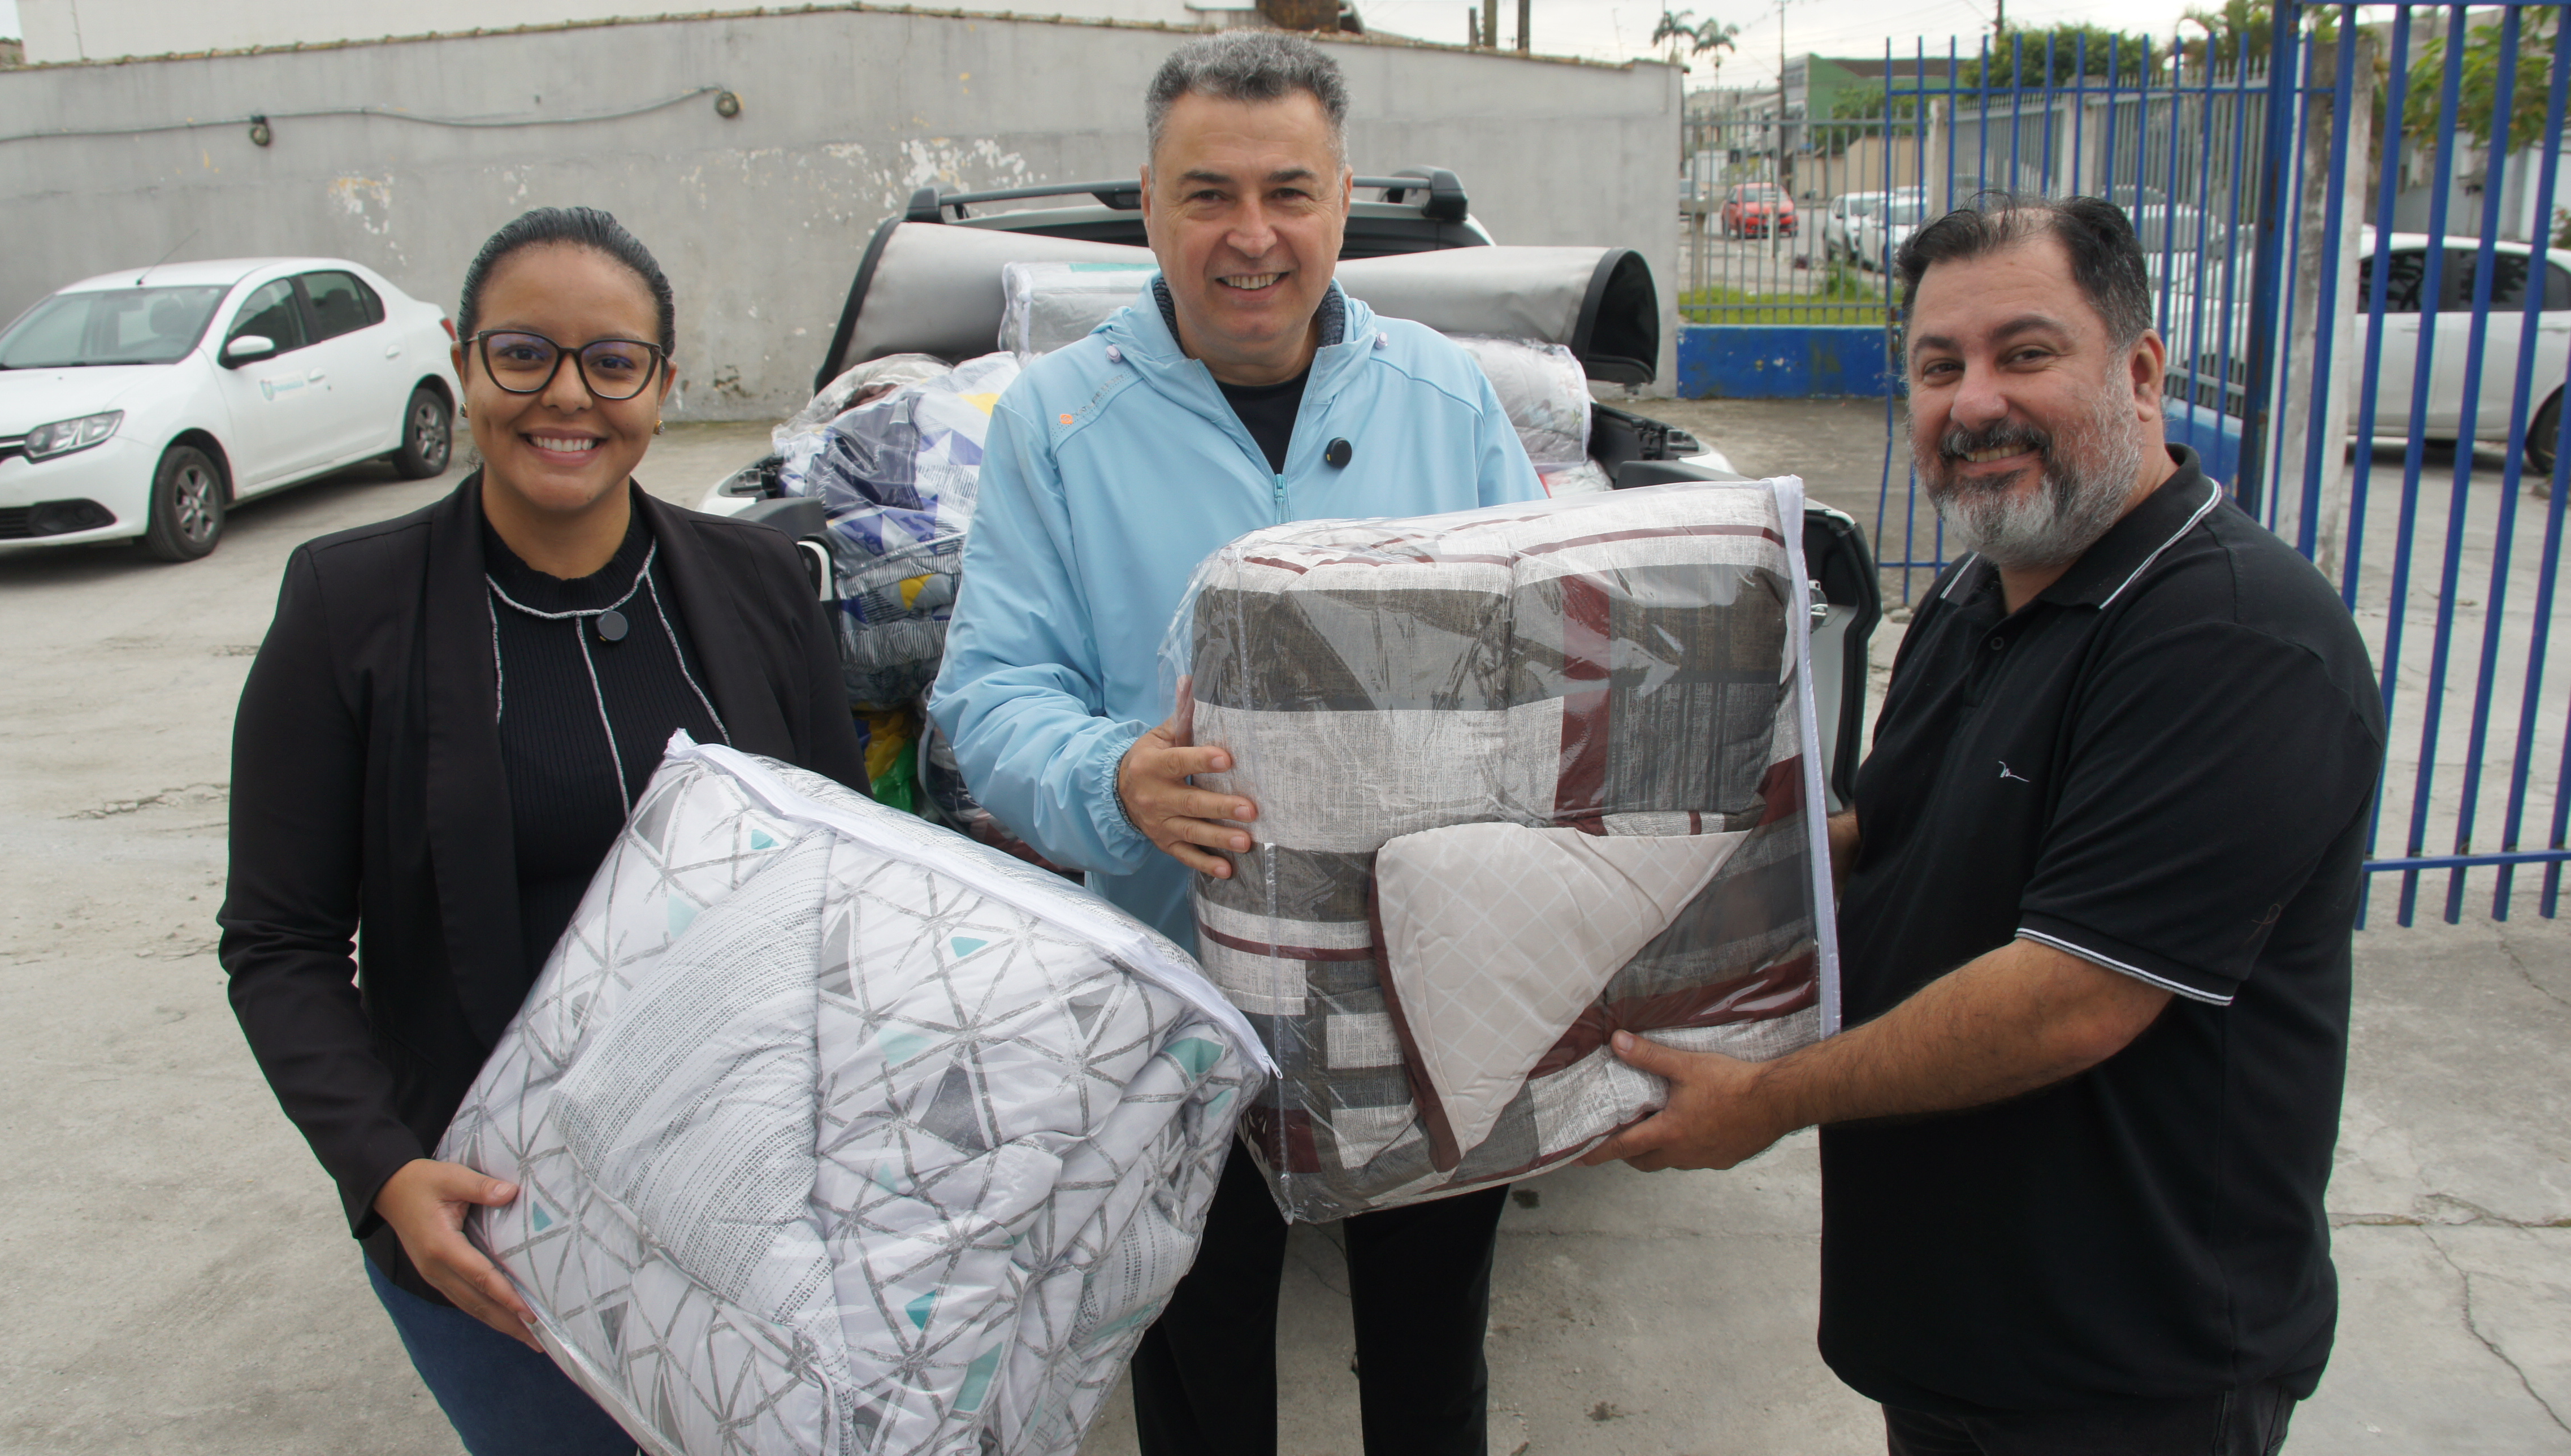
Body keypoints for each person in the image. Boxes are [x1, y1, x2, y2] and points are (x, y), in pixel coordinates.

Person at [1580, 194, 2385, 1455]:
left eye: (2026, 353)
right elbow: (1883, 837)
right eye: (1938, 366)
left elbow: (2073, 995)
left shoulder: (2234, 640)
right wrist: (1635, 890)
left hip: (2126, 1359)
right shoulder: (1981, 591)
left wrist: (1766, 1098)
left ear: (2139, 373)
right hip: (1953, 1316)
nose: (1974, 404)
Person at [928, 31, 1543, 1456]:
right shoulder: (1056, 421)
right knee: (1198, 1369)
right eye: (1209, 194)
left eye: (1288, 192)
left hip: (1423, 989)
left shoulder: (1446, 399)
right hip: (1176, 993)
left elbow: (1548, 648)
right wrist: (1112, 778)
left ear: (1342, 203)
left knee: (1429, 1361)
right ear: (1148, 205)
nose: (1250, 235)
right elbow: (991, 689)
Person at [218, 206, 869, 1454]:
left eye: (612, 362)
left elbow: (845, 880)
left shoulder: (761, 587)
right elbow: (279, 943)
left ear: (663, 387)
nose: (567, 395)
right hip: (488, 1218)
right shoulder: (348, 606)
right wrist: (385, 1170)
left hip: (746, 1192)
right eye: (523, 353)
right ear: (463, 360)